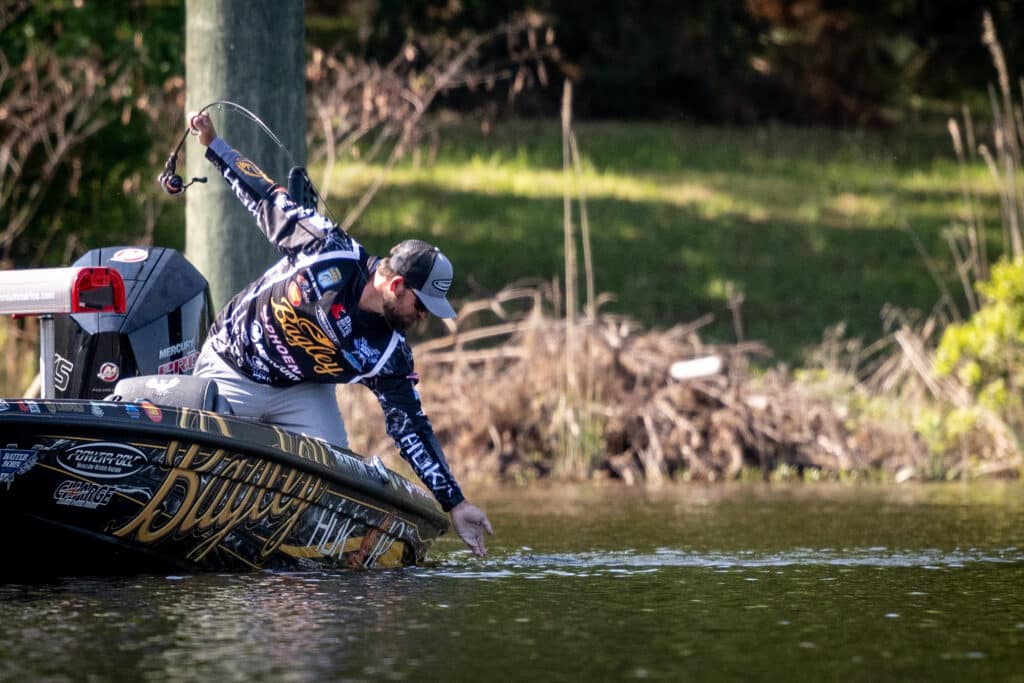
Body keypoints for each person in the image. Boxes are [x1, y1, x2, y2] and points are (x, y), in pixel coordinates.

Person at [187, 111, 493, 556]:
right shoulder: (326, 249)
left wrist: (455, 503)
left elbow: (410, 428)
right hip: (234, 365)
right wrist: (215, 144)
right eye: (420, 305)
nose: (422, 317)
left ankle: (285, 560)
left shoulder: (391, 354)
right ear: (396, 285)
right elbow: (263, 197)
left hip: (301, 390)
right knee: (208, 458)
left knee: (333, 488)